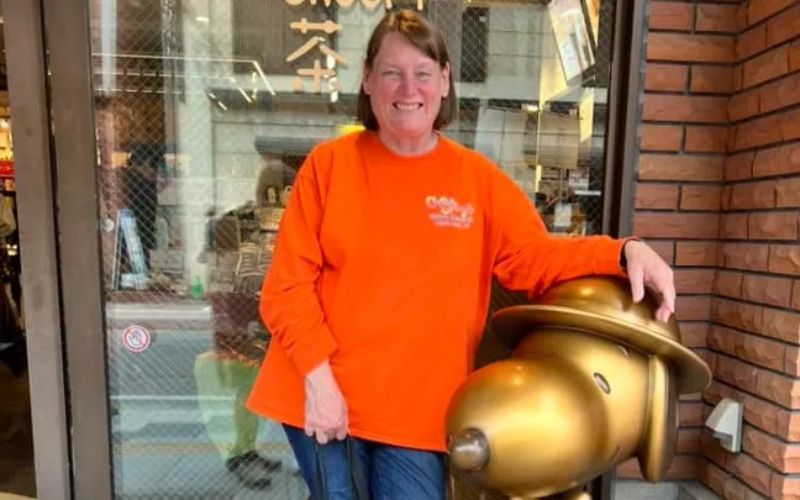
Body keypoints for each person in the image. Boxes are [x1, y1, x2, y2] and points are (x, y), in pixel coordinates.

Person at [247, 9, 674, 500]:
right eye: (392, 73)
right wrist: (320, 384)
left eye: (423, 73)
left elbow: (535, 260)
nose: (409, 89)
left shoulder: (477, 180)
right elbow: (285, 288)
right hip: (324, 394)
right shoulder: (330, 167)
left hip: (419, 410)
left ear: (445, 81)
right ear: (367, 81)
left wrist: (624, 252)